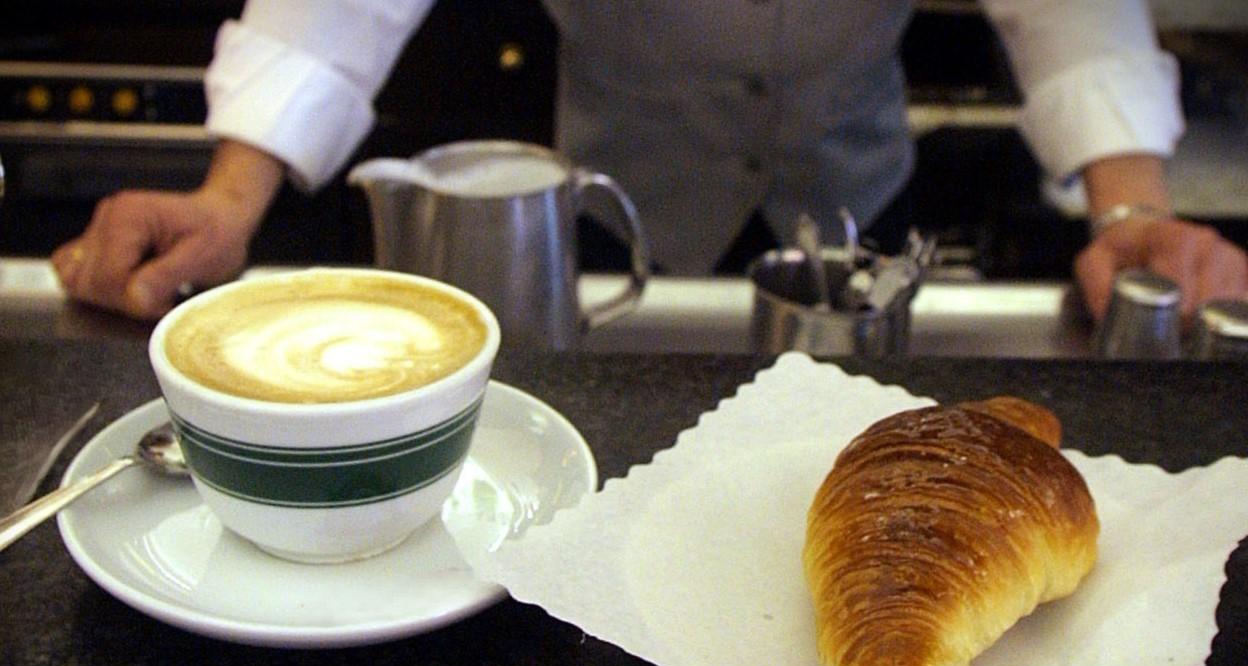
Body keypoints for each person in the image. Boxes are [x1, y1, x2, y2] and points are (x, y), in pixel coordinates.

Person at [52, 0, 1248, 323]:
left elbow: (1069, 6)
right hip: (614, 201)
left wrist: (1129, 209)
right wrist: (227, 197)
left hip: (853, 198)